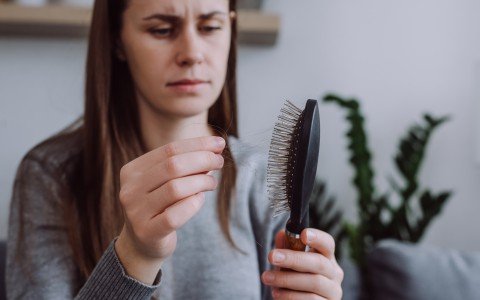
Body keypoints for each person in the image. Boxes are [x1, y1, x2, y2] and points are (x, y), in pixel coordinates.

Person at [6, 0, 344, 299]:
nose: (192, 53)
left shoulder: (258, 179)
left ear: (231, 28)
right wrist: (135, 254)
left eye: (210, 26)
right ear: (116, 39)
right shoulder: (50, 174)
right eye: (162, 29)